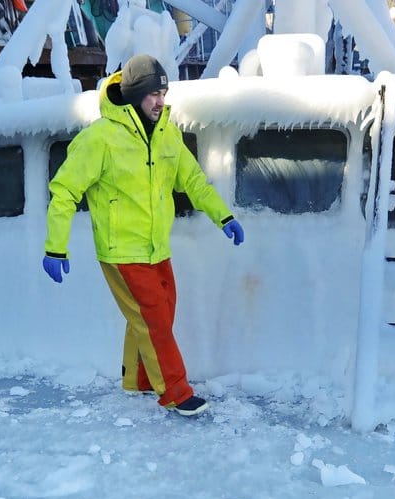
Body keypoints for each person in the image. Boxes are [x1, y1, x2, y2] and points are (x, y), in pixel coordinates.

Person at [42, 54, 245, 417]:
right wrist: (56, 248)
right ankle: (175, 392)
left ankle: (137, 378)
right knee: (153, 319)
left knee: (159, 315)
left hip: (157, 247)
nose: (160, 101)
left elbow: (193, 180)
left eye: (163, 92)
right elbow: (64, 190)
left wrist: (223, 216)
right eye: (152, 93)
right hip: (121, 250)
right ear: (135, 94)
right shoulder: (100, 139)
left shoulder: (167, 133)